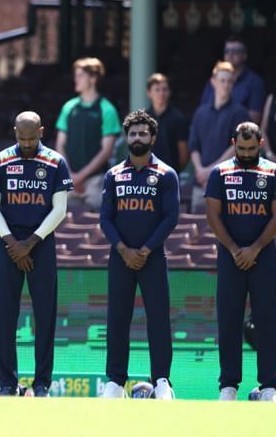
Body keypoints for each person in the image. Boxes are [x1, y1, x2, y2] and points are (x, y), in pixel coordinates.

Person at [0, 111, 73, 397]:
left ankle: (41, 384)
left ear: (42, 132)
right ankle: (7, 384)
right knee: (5, 316)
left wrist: (30, 243)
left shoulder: (56, 162)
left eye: (31, 138)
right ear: (14, 133)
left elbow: (59, 209)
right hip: (8, 243)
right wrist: (13, 243)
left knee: (45, 316)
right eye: (21, 138)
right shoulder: (0, 160)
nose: (26, 144)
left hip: (41, 244)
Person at [205, 122, 276, 402]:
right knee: (229, 321)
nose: (246, 153)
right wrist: (233, 248)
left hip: (263, 257)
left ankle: (268, 386)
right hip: (230, 258)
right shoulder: (220, 172)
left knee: (267, 321)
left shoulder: (273, 172)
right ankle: (228, 386)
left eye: (251, 148)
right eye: (241, 148)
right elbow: (213, 215)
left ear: (261, 143)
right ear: (233, 143)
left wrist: (254, 248)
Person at [99, 110, 180, 400]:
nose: (137, 138)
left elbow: (170, 217)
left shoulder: (166, 174)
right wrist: (124, 249)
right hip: (120, 257)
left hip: (152, 258)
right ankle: (115, 381)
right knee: (117, 319)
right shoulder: (114, 174)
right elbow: (105, 218)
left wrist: (144, 250)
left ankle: (161, 380)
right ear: (126, 137)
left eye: (143, 133)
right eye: (133, 133)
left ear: (153, 137)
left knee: (158, 320)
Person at [55, 57, 121, 211]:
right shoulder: (68, 107)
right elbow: (60, 144)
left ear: (93, 78)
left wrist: (80, 177)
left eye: (80, 75)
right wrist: (69, 176)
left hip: (96, 182)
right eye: (75, 75)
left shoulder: (107, 109)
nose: (75, 79)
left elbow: (106, 151)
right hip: (69, 181)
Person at [188, 61, 250, 213]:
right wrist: (200, 171)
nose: (226, 84)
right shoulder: (200, 112)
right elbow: (193, 146)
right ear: (213, 82)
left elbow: (238, 146)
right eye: (222, 80)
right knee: (196, 232)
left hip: (228, 185)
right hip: (201, 185)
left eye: (230, 81)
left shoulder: (240, 113)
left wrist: (210, 171)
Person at [200, 37, 266, 122]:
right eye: (227, 51)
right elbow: (202, 112)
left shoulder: (255, 82)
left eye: (235, 51)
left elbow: (254, 118)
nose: (230, 54)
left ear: (244, 56)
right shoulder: (214, 81)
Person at [145, 73, 189, 171]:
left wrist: (173, 172)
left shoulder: (179, 118)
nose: (161, 93)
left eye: (164, 89)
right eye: (157, 89)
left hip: (171, 173)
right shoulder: (143, 119)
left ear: (169, 92)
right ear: (149, 93)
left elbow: (184, 154)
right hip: (147, 174)